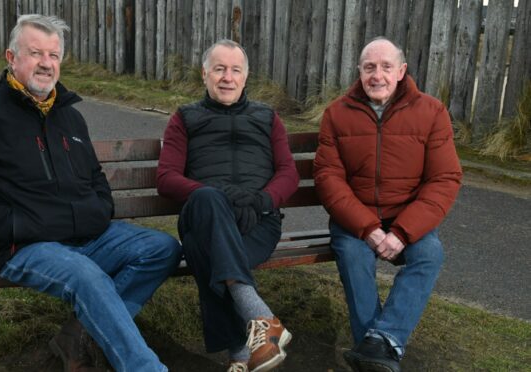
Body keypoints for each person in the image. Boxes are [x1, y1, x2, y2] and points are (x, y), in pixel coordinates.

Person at [0, 14, 182, 372]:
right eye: (35, 53)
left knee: (163, 249)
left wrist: (100, 209)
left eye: (54, 55)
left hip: (89, 236)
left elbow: (95, 178)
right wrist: (12, 223)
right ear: (11, 57)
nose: (46, 64)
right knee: (87, 277)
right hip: (29, 246)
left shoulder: (70, 117)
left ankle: (79, 335)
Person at [313, 36, 462, 372]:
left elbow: (444, 179)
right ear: (359, 72)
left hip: (407, 217)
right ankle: (380, 354)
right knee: (353, 255)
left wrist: (403, 232)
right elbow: (328, 178)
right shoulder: (337, 114)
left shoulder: (431, 111)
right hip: (354, 220)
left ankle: (380, 342)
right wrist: (367, 229)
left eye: (385, 67)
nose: (376, 75)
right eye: (369, 68)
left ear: (401, 71)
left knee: (429, 254)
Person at [156, 39, 299, 372]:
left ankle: (240, 353)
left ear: (245, 78)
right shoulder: (185, 118)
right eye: (219, 69)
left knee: (199, 249)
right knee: (207, 200)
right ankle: (260, 320)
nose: (227, 77)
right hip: (205, 213)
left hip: (257, 220)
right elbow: (166, 178)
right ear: (205, 74)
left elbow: (288, 173)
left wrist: (263, 200)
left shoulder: (267, 117)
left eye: (235, 70)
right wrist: (223, 195)